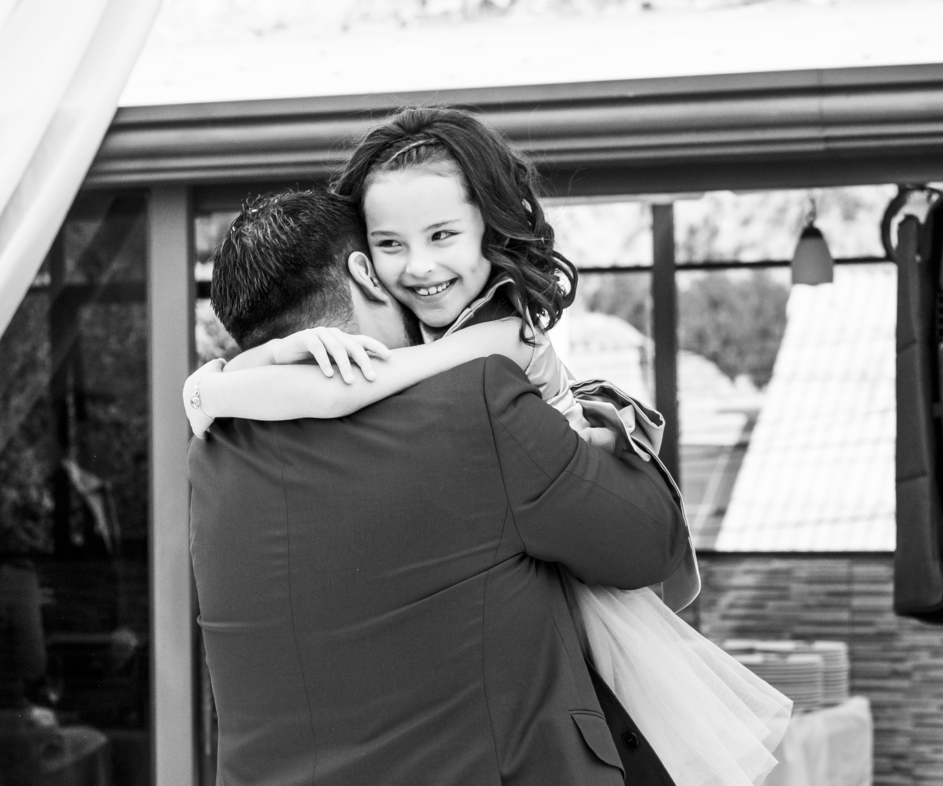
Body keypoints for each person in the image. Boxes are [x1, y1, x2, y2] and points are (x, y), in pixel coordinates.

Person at [188, 107, 792, 786]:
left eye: (442, 234)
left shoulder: (213, 453)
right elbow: (648, 543)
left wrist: (212, 385)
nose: (418, 269)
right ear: (365, 270)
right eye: (390, 246)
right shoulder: (474, 402)